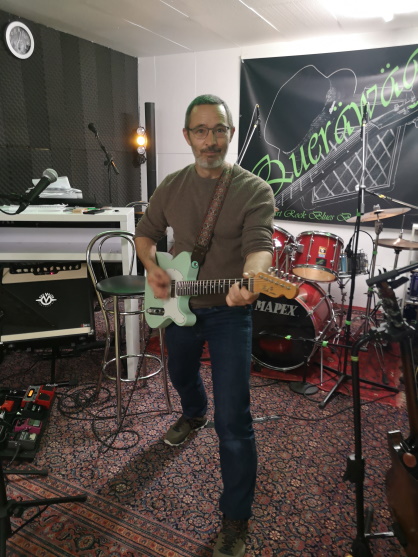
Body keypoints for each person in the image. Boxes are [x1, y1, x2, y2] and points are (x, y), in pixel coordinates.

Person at [134, 94, 275, 557]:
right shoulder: (172, 186)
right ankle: (192, 413)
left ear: (230, 134)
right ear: (187, 136)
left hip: (230, 313)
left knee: (233, 419)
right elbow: (145, 234)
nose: (210, 140)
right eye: (201, 130)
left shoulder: (254, 189)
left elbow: (259, 247)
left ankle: (235, 518)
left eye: (218, 130)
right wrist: (153, 268)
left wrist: (251, 280)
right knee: (180, 374)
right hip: (178, 306)